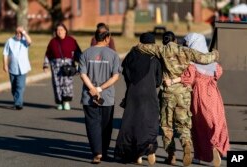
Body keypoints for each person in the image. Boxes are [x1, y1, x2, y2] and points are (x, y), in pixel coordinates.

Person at [135, 31, 219, 166]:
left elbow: (143, 47)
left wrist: (138, 46)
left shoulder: (161, 50)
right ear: (175, 40)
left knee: (167, 126)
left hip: (167, 93)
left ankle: (171, 155)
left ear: (164, 41)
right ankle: (186, 144)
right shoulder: (186, 51)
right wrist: (215, 53)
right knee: (184, 124)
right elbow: (205, 59)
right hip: (184, 94)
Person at [165, 33, 230, 167]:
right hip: (214, 95)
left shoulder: (192, 64)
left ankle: (199, 156)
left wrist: (171, 81)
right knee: (217, 122)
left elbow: (187, 78)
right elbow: (219, 72)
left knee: (199, 127)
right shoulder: (213, 63)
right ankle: (216, 146)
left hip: (199, 96)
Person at [114, 33, 162, 165]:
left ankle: (137, 155)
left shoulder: (131, 55)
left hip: (133, 94)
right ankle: (150, 148)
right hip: (149, 94)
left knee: (132, 123)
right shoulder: (155, 58)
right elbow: (158, 81)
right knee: (149, 123)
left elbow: (126, 74)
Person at [79, 24, 121, 164]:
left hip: (89, 96)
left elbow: (82, 74)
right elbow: (116, 76)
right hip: (107, 97)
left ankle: (97, 152)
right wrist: (100, 89)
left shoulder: (85, 54)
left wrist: (92, 88)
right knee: (106, 126)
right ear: (107, 38)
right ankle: (103, 151)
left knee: (92, 124)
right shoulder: (113, 55)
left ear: (95, 38)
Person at [43, 23, 82, 110]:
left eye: (61, 30)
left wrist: (81, 63)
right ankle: (59, 102)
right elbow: (48, 54)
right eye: (58, 30)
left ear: (65, 31)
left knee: (67, 84)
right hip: (56, 66)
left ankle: (66, 101)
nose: (59, 32)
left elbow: (78, 52)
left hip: (68, 66)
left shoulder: (71, 40)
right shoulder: (53, 42)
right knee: (57, 84)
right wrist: (45, 65)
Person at [3, 26, 32, 110]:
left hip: (23, 68)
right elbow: (5, 53)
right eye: (17, 33)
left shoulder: (24, 41)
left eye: (20, 33)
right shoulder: (10, 41)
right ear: (15, 33)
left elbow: (30, 41)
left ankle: (18, 104)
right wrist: (5, 65)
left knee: (20, 86)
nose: (19, 34)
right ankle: (17, 101)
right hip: (12, 68)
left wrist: (24, 32)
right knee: (14, 87)